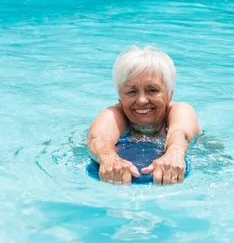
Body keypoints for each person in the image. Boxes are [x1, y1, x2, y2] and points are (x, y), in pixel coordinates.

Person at [87, 46, 202, 185]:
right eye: (131, 92)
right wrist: (109, 158)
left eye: (152, 90)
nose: (142, 100)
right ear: (120, 98)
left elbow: (180, 134)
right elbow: (99, 138)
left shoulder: (181, 110)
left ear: (169, 95)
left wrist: (174, 154)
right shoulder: (113, 114)